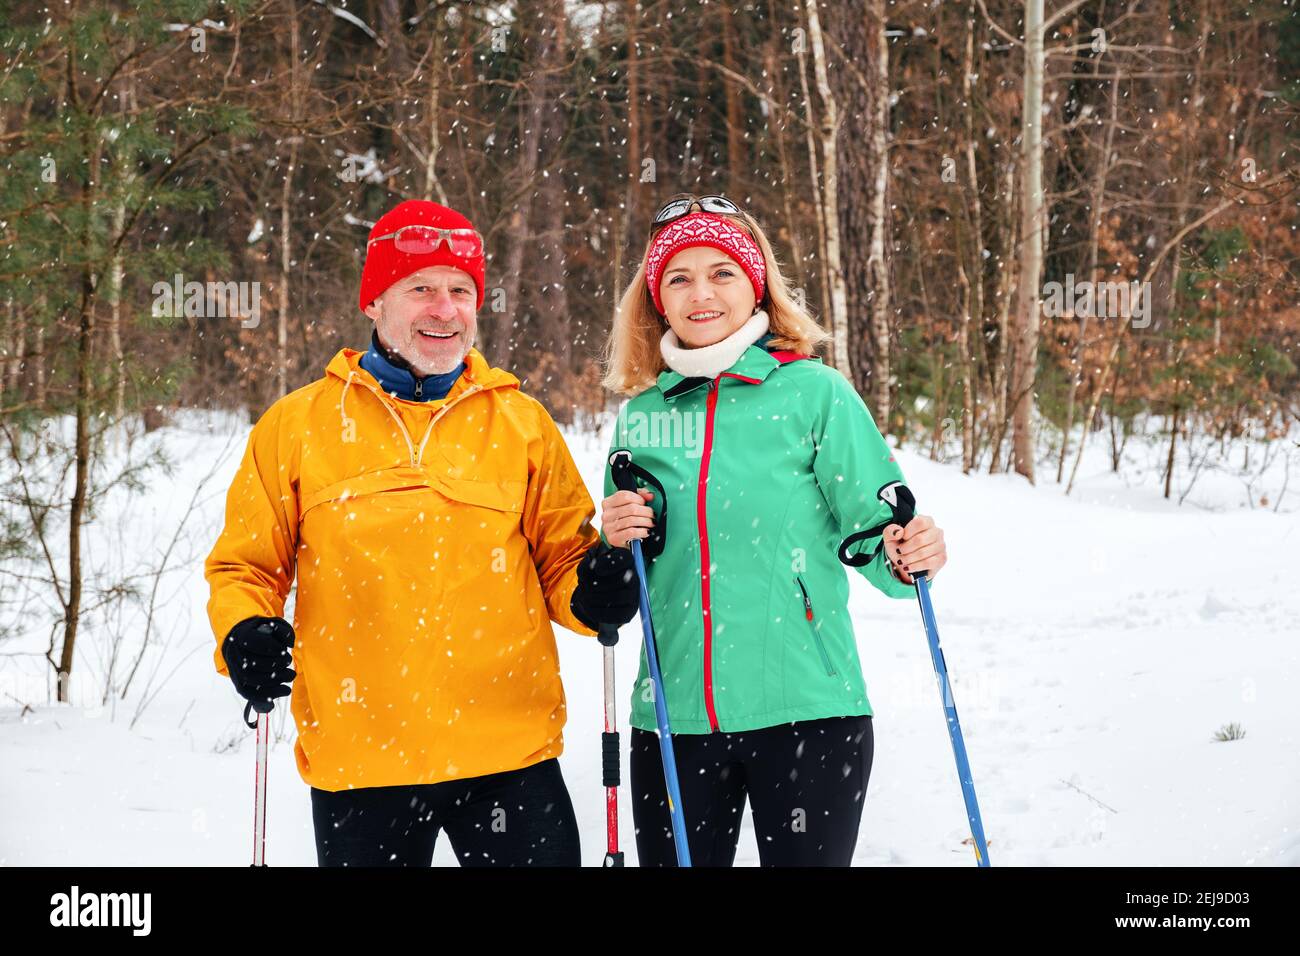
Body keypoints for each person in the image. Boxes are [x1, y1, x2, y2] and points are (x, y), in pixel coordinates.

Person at [204, 199, 639, 867]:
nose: (444, 309)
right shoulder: (297, 427)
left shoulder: (521, 423)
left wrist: (593, 592)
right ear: (374, 302)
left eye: (460, 290)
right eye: (421, 289)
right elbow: (245, 567)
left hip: (508, 754)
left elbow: (563, 560)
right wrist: (243, 633)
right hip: (361, 760)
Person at [591, 194, 949, 866]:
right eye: (679, 277)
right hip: (671, 721)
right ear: (655, 300)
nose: (702, 293)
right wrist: (612, 543)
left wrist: (907, 553)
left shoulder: (815, 394)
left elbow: (879, 534)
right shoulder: (641, 416)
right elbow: (626, 582)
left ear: (755, 284)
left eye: (722, 272)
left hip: (808, 712)